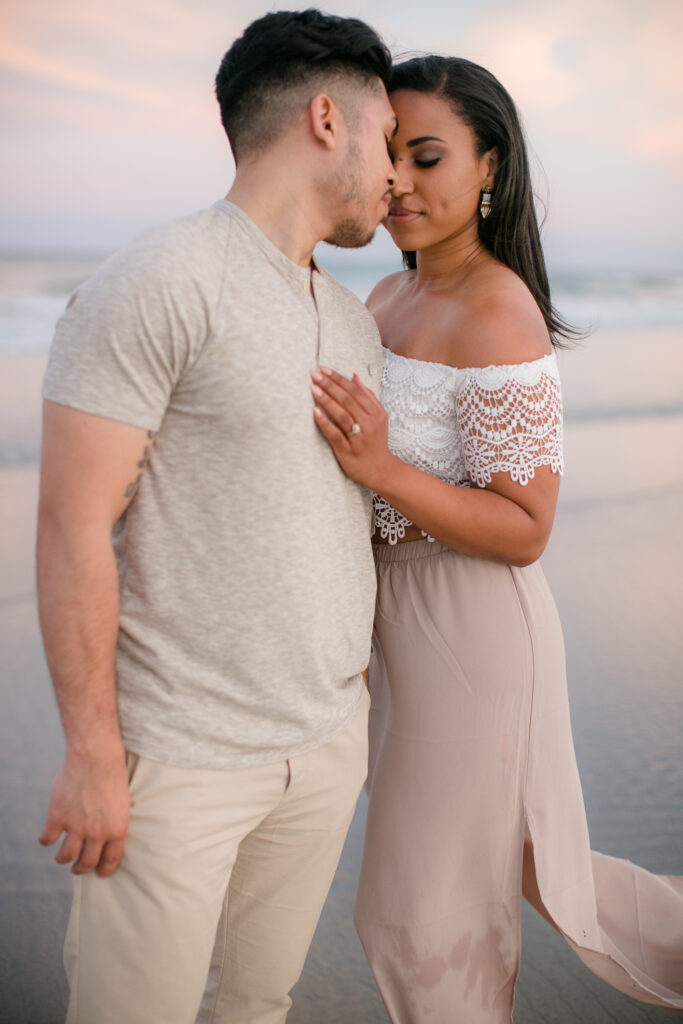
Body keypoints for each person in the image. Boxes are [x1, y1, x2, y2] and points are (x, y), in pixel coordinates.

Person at [36, 10, 398, 1023]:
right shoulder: (161, 278)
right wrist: (95, 756)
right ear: (326, 118)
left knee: (258, 1003)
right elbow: (69, 527)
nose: (395, 177)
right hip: (180, 757)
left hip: (323, 746)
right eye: (384, 137)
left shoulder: (352, 321)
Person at [310, 55, 683, 1022]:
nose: (398, 182)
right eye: (387, 157)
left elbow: (527, 529)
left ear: (490, 167)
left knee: (424, 910)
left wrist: (384, 469)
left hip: (471, 625)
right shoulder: (387, 300)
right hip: (396, 628)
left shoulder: (496, 308)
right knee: (514, 865)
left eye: (426, 157)